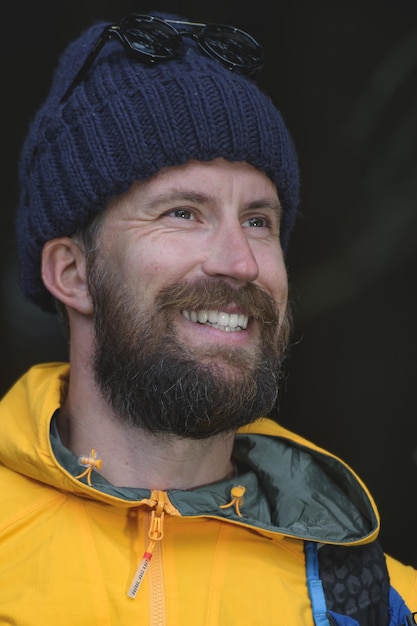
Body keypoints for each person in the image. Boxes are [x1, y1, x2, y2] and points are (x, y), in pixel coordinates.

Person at [0, 10, 416, 626]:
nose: (240, 262)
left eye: (258, 221)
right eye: (182, 213)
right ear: (72, 274)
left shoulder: (378, 597)